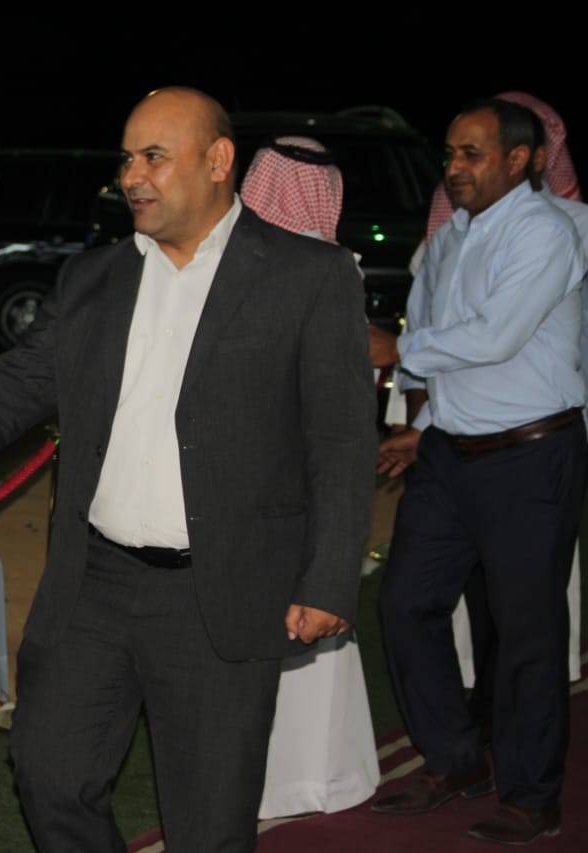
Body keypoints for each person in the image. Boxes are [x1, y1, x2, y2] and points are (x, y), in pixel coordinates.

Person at [0, 87, 374, 852]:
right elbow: (15, 388)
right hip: (94, 583)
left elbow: (341, 439)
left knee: (209, 824)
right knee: (49, 774)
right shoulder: (95, 278)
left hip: (219, 592)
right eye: (126, 159)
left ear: (218, 161)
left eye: (153, 156)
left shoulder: (306, 276)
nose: (131, 176)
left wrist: (329, 577)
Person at [373, 99, 586, 844]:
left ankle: (532, 794)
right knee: (406, 603)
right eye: (450, 153)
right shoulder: (450, 238)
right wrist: (421, 424)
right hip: (450, 454)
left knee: (527, 629)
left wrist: (397, 352)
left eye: (472, 154)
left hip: (529, 455)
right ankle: (456, 758)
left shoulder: (545, 232)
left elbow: (495, 338)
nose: (453, 167)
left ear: (520, 160)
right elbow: (441, 340)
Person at [239, 137, 380, 820]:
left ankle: (313, 777)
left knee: (307, 608)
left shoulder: (332, 269)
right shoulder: (229, 264)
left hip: (301, 469)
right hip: (250, 469)